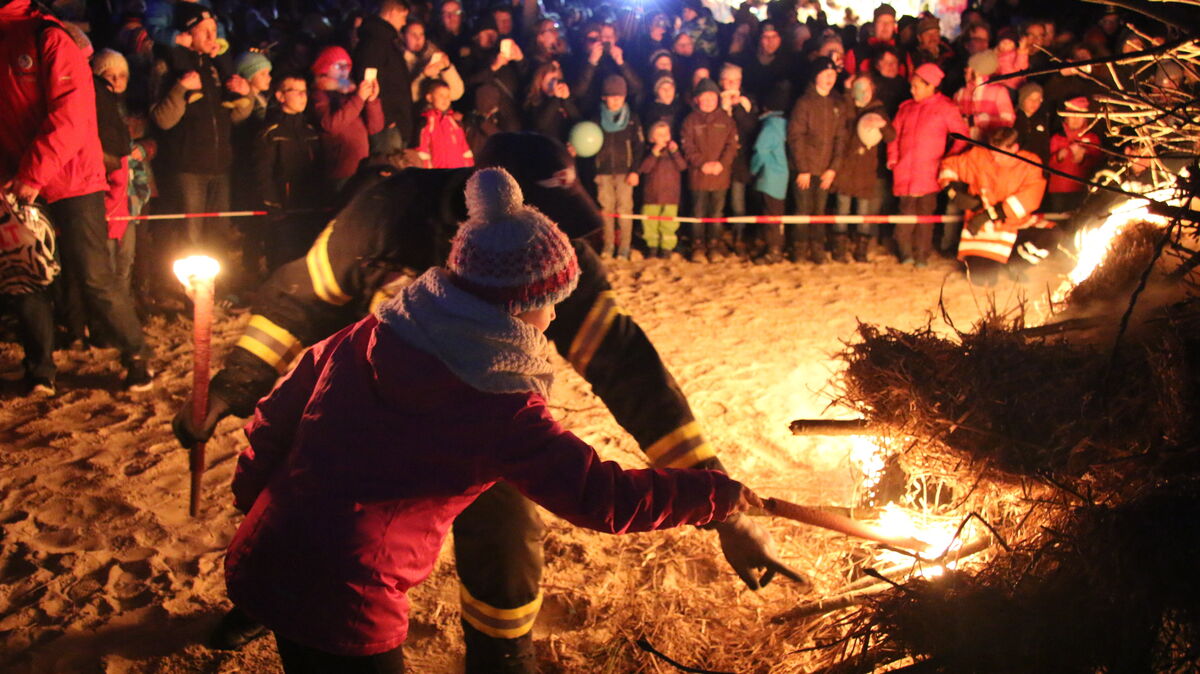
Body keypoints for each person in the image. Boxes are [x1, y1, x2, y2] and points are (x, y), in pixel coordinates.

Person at [177, 133, 805, 667]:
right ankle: (271, 599)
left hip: (418, 427)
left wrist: (720, 496)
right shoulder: (389, 210)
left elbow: (630, 371)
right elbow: (299, 301)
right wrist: (230, 386)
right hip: (365, 424)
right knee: (318, 532)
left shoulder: (537, 262)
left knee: (500, 534)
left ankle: (500, 657)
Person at [1, 0, 153, 392]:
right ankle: (40, 369)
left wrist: (33, 172)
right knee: (26, 274)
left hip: (72, 177)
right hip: (22, 179)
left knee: (93, 275)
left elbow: (70, 114)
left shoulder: (49, 37)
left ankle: (136, 354)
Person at [940, 126, 1048, 285]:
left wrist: (988, 215)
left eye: (1001, 154)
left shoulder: (1030, 163)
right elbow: (948, 167)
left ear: (1015, 148)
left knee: (1053, 235)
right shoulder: (979, 156)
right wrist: (954, 193)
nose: (995, 158)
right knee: (983, 281)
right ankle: (990, 261)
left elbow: (1030, 198)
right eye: (993, 153)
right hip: (983, 229)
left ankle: (1016, 264)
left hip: (1014, 224)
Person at [888, 63, 968, 266]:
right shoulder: (905, 108)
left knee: (925, 217)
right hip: (905, 172)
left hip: (930, 174)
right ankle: (905, 253)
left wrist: (948, 160)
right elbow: (893, 136)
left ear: (931, 85)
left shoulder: (946, 109)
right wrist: (893, 158)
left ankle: (921, 255)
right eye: (912, 86)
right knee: (905, 215)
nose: (912, 90)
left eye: (917, 86)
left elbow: (962, 137)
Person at [254, 75, 324, 270]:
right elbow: (263, 171)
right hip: (284, 206)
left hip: (308, 205)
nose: (303, 97)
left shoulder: (309, 130)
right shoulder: (272, 132)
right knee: (282, 254)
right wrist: (272, 203)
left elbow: (318, 168)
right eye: (297, 91)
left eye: (305, 92)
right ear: (281, 96)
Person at [787, 58, 847, 264]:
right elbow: (796, 137)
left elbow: (840, 139)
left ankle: (817, 248)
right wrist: (803, 168)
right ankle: (799, 248)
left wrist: (833, 169)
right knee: (803, 209)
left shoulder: (837, 104)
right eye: (825, 74)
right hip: (805, 169)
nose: (830, 78)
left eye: (833, 74)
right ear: (816, 76)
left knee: (820, 211)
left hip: (825, 170)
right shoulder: (804, 103)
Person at [832, 73, 894, 263]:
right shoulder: (847, 107)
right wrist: (846, 93)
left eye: (866, 90)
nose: (863, 93)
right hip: (846, 167)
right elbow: (844, 123)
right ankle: (839, 250)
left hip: (866, 171)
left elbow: (891, 136)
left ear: (873, 90)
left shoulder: (878, 110)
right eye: (859, 89)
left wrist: (883, 125)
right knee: (842, 209)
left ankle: (861, 251)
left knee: (864, 212)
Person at [680, 78, 738, 263]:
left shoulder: (726, 121)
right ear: (697, 99)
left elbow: (732, 145)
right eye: (704, 97)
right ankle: (698, 247)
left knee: (716, 213)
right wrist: (701, 163)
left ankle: (714, 246)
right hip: (698, 176)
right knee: (698, 212)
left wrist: (722, 163)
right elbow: (687, 146)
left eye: (711, 97)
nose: (708, 101)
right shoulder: (690, 121)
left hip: (720, 176)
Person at [310, 45, 383, 191]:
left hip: (361, 168)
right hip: (340, 170)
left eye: (347, 65)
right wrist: (359, 98)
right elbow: (331, 125)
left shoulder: (351, 94)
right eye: (338, 65)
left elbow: (375, 127)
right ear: (324, 68)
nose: (344, 70)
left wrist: (371, 101)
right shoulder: (320, 95)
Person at [353, 0, 413, 160]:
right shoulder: (375, 42)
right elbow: (368, 80)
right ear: (392, 12)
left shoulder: (385, 41)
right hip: (387, 126)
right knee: (386, 171)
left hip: (393, 122)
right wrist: (388, 118)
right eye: (403, 16)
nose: (404, 22)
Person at [592, 74, 643, 260]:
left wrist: (635, 171)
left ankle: (624, 248)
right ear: (604, 97)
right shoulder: (596, 118)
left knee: (624, 211)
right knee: (606, 211)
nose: (616, 101)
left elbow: (639, 147)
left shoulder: (632, 119)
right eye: (611, 96)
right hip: (603, 172)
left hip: (625, 173)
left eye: (619, 97)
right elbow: (588, 142)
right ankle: (607, 247)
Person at [750, 86, 791, 265]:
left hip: (769, 177)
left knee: (770, 215)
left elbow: (760, 150)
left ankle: (773, 250)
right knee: (777, 214)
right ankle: (776, 248)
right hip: (782, 177)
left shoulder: (770, 126)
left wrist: (753, 168)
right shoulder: (784, 124)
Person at [637, 120, 687, 259]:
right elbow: (644, 168)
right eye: (659, 135)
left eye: (666, 134)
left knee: (669, 224)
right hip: (652, 196)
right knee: (650, 223)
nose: (663, 138)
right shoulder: (648, 152)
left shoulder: (674, 153)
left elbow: (683, 166)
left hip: (671, 196)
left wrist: (676, 152)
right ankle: (652, 247)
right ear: (652, 138)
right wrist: (653, 153)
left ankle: (666, 249)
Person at [1045, 96, 1102, 215]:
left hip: (1081, 191)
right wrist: (1058, 157)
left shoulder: (1092, 138)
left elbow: (1098, 165)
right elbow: (1046, 165)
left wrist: (1083, 158)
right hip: (1058, 191)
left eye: (1079, 116)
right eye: (1072, 115)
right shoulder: (1057, 138)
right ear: (1066, 117)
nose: (1076, 119)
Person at [953, 49, 1015, 140]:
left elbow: (1008, 120)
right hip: (965, 145)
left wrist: (979, 120)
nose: (965, 70)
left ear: (978, 71)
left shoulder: (998, 91)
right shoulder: (961, 92)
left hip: (988, 143)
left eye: (969, 68)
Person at [415, 80, 474, 169]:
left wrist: (469, 171)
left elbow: (465, 150)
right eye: (441, 95)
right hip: (438, 174)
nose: (445, 99)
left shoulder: (454, 122)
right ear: (430, 98)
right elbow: (423, 152)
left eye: (448, 96)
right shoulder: (426, 122)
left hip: (457, 173)